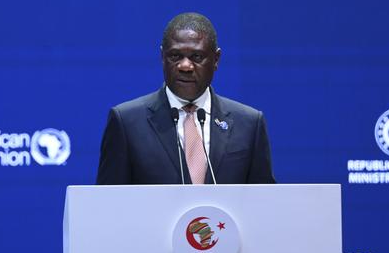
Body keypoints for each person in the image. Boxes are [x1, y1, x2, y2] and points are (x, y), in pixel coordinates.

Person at [96, 12, 275, 185]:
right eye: (175, 56)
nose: (185, 66)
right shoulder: (127, 123)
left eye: (197, 57)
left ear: (216, 59)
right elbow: (107, 204)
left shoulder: (249, 124)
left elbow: (265, 203)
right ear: (162, 57)